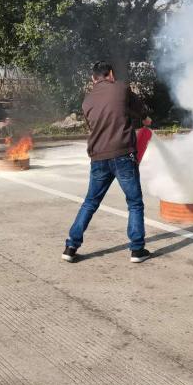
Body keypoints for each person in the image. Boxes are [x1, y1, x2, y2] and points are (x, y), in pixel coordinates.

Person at [63, 61, 152, 264]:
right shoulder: (121, 88)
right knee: (135, 203)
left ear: (93, 79)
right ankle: (137, 250)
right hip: (122, 155)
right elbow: (138, 109)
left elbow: (95, 124)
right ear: (111, 74)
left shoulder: (86, 101)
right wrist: (145, 120)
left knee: (90, 202)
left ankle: (70, 246)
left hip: (98, 157)